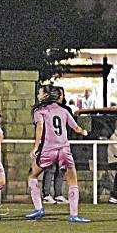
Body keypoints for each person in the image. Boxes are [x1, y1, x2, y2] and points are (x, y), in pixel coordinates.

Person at [25, 84, 90, 222]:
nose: (38, 95)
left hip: (48, 149)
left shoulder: (40, 111)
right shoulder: (64, 110)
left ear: (46, 96)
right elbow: (76, 128)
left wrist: (36, 147)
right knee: (72, 181)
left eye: (40, 93)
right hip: (64, 149)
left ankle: (38, 209)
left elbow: (40, 128)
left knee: (32, 176)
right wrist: (84, 132)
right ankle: (74, 215)